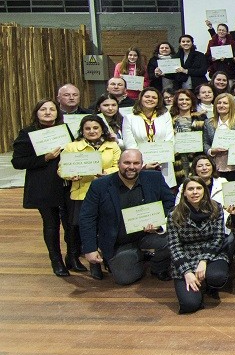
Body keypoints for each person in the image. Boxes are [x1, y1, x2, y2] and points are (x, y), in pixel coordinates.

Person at [78, 150, 176, 285]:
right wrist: (90, 248)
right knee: (125, 278)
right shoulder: (99, 185)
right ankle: (136, 256)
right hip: (119, 241)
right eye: (127, 163)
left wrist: (158, 223)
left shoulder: (155, 178)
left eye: (136, 163)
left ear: (142, 164)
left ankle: (157, 266)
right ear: (118, 163)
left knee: (173, 239)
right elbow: (87, 217)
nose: (131, 167)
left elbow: (170, 202)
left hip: (148, 235)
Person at [12, 99, 74, 276]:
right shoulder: (27, 133)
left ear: (57, 113)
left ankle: (73, 257)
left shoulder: (64, 129)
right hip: (44, 186)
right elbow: (18, 162)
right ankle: (56, 261)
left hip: (67, 183)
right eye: (43, 109)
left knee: (71, 224)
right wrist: (45, 158)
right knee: (51, 224)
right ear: (36, 113)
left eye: (52, 109)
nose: (48, 112)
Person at [59, 115, 122, 277]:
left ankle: (107, 259)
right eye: (87, 128)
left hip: (106, 192)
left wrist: (106, 172)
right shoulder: (71, 146)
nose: (92, 131)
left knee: (105, 227)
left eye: (95, 128)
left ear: (102, 129)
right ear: (82, 130)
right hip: (81, 193)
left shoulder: (112, 145)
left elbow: (119, 166)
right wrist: (70, 175)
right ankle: (93, 263)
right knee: (86, 228)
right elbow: (61, 169)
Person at [167, 176, 230, 314]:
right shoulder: (174, 214)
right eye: (190, 189)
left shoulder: (216, 208)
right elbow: (174, 246)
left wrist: (203, 260)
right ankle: (198, 286)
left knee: (217, 276)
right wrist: (187, 272)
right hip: (186, 255)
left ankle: (209, 284)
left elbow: (218, 238)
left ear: (204, 191)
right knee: (190, 305)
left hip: (212, 252)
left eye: (198, 188)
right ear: (184, 193)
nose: (195, 192)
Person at [121, 86, 176, 187]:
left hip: (164, 163)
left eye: (154, 98)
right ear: (140, 98)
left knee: (166, 192)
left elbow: (170, 139)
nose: (150, 99)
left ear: (158, 101)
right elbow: (130, 144)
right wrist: (144, 164)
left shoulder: (165, 116)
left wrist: (161, 158)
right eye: (147, 97)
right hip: (141, 165)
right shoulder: (129, 118)